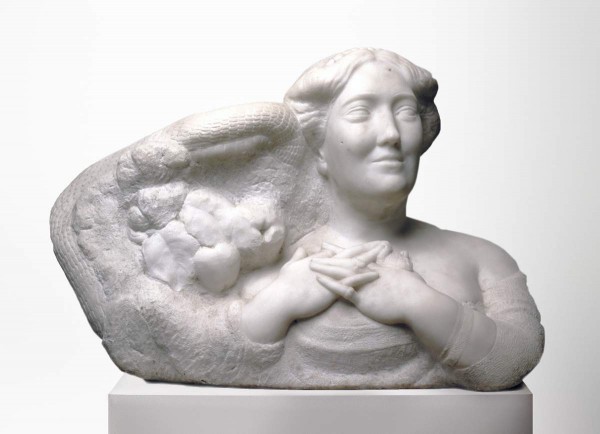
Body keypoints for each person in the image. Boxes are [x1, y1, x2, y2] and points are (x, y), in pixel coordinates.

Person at [240, 48, 544, 390]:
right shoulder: (267, 264)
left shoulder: (483, 259)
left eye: (405, 112)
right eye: (360, 112)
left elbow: (517, 356)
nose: (391, 134)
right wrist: (277, 303)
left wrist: (416, 301)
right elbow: (207, 356)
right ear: (319, 147)